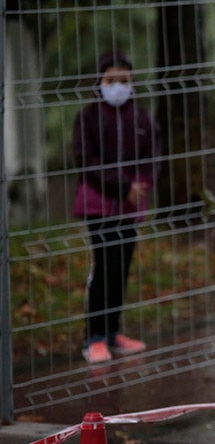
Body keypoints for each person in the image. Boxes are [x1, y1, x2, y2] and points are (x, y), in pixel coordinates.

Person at [72, 51, 160, 364]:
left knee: (121, 268)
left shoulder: (142, 118)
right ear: (101, 81)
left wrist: (142, 184)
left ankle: (112, 332)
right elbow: (87, 162)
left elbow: (152, 157)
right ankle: (93, 337)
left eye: (125, 80)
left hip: (130, 207)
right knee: (104, 266)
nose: (119, 86)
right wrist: (123, 186)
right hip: (99, 205)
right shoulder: (88, 117)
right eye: (112, 80)